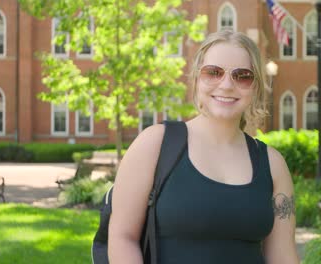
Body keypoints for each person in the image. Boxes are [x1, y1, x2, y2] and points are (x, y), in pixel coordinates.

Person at [108, 30, 299, 264]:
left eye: (243, 76)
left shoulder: (273, 164)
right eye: (213, 73)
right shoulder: (155, 145)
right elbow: (122, 238)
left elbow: (283, 257)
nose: (227, 85)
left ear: (256, 86)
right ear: (197, 78)